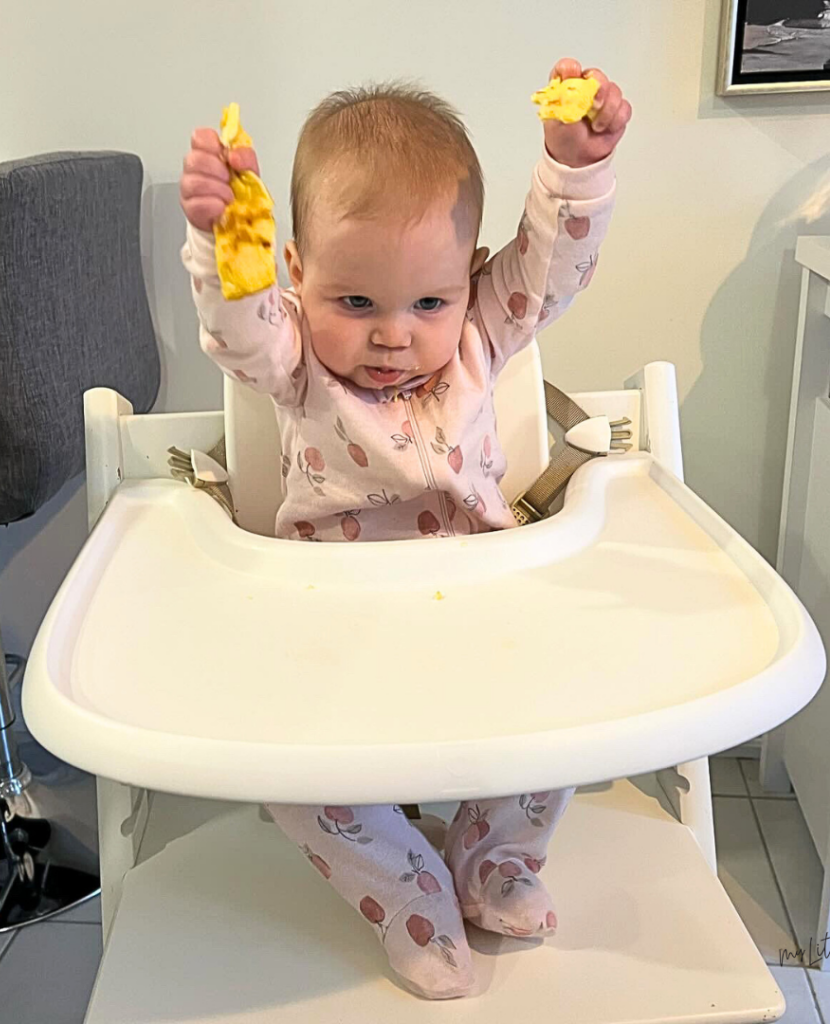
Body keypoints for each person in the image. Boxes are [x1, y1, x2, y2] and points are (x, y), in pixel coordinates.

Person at [179, 58, 630, 999]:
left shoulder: (480, 335)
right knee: (297, 780)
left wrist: (572, 170)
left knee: (568, 728)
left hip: (482, 622)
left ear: (468, 281)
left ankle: (493, 860)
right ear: (299, 278)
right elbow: (240, 331)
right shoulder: (295, 362)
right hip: (332, 634)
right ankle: (408, 888)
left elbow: (553, 262)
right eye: (356, 304)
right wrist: (233, 244)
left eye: (429, 301)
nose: (395, 335)